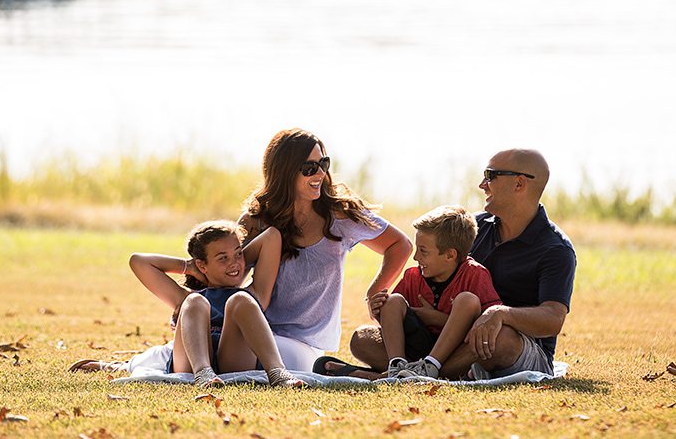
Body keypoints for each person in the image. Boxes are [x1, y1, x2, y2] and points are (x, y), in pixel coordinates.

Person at [352, 148, 575, 380]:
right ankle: (428, 370)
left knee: (500, 339)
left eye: (491, 175)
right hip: (450, 339)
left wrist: (500, 314)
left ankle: (417, 374)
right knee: (362, 339)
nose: (482, 184)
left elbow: (552, 319)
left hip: (512, 345)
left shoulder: (556, 249)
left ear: (519, 183)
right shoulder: (473, 228)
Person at [238, 128, 413, 372]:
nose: (320, 173)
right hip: (257, 329)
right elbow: (228, 274)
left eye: (323, 163)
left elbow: (400, 245)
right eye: (309, 167)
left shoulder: (340, 214)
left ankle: (343, 370)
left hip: (304, 344)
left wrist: (375, 290)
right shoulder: (256, 219)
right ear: (285, 171)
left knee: (266, 360)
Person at [127, 220, 304, 387]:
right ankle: (203, 372)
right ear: (202, 265)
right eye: (223, 258)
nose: (234, 263)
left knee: (240, 299)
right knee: (194, 301)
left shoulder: (254, 294)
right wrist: (189, 267)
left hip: (233, 358)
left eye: (238, 254)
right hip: (191, 362)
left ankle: (277, 372)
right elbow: (138, 262)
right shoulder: (187, 298)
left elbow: (271, 236)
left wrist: (234, 263)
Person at [360, 205, 501, 379]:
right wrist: (379, 309)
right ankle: (397, 366)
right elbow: (393, 322)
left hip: (456, 351)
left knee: (467, 301)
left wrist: (437, 319)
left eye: (423, 251)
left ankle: (430, 367)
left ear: (450, 255)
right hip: (416, 348)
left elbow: (490, 324)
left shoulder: (475, 275)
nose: (416, 257)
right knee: (363, 337)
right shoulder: (412, 277)